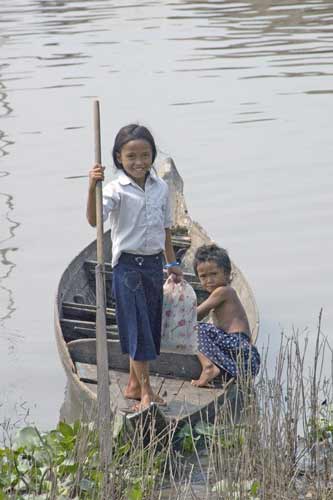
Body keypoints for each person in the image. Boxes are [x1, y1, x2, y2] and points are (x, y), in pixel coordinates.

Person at [86, 124, 182, 411]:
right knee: (138, 329)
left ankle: (132, 384)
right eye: (131, 157)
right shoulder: (114, 188)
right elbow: (94, 221)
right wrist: (92, 186)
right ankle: (146, 394)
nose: (139, 162)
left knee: (148, 329)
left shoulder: (161, 187)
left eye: (145, 155)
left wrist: (173, 262)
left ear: (152, 155)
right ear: (119, 158)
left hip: (154, 265)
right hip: (128, 268)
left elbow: (165, 229)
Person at [191, 244, 260, 387]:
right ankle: (221, 372)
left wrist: (177, 317)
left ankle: (208, 367)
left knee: (193, 328)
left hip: (237, 347)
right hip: (244, 356)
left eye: (214, 274)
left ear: (227, 273)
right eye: (203, 276)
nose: (209, 280)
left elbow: (195, 315)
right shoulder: (225, 293)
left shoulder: (223, 291)